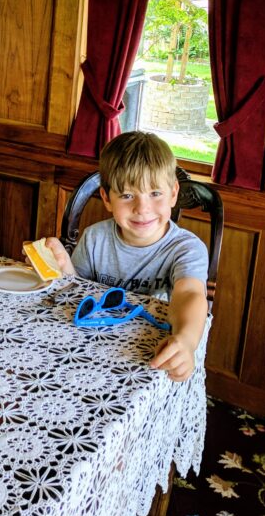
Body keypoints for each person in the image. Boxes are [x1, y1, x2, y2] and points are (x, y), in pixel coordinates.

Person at [44, 131, 209, 382]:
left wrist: (186, 340)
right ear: (106, 198)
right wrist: (63, 268)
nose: (142, 209)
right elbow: (79, 293)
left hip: (150, 358)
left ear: (173, 193)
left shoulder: (186, 248)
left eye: (155, 193)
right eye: (127, 195)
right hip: (91, 353)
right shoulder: (94, 238)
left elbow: (190, 294)